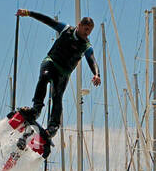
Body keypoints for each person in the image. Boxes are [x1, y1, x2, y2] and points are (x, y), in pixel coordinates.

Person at [15, 8, 102, 142]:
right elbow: (47, 20)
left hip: (63, 72)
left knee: (57, 96)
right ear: (79, 25)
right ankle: (35, 110)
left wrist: (96, 74)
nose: (87, 33)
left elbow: (91, 59)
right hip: (51, 62)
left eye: (89, 31)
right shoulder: (65, 29)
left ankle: (53, 127)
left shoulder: (86, 45)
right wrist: (28, 13)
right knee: (44, 77)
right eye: (85, 29)